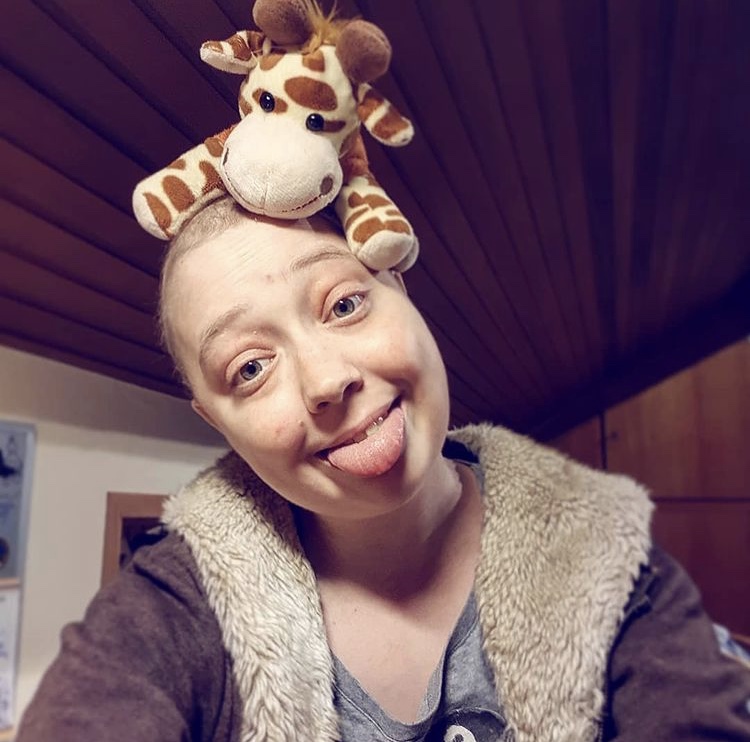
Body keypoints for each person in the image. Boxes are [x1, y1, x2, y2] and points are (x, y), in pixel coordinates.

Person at [17, 198, 750, 741]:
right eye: (249, 368)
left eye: (344, 304)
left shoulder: (611, 553)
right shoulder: (172, 604)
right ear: (219, 424)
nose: (326, 380)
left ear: (398, 284)